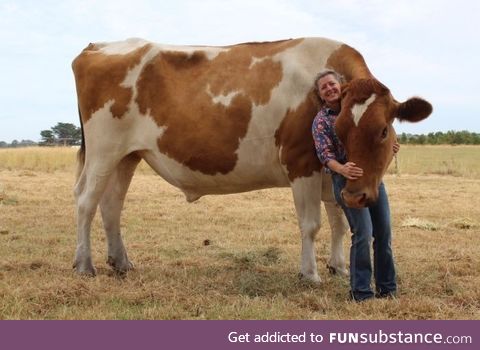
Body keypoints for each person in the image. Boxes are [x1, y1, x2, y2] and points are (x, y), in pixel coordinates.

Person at [311, 70, 399, 301]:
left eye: (332, 84)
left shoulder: (361, 110)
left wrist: (391, 145)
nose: (329, 89)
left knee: (384, 232)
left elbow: (382, 135)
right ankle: (360, 291)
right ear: (320, 95)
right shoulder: (322, 121)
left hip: (372, 179)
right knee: (363, 233)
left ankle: (387, 288)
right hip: (346, 180)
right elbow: (324, 154)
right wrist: (342, 169)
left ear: (340, 85)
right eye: (324, 88)